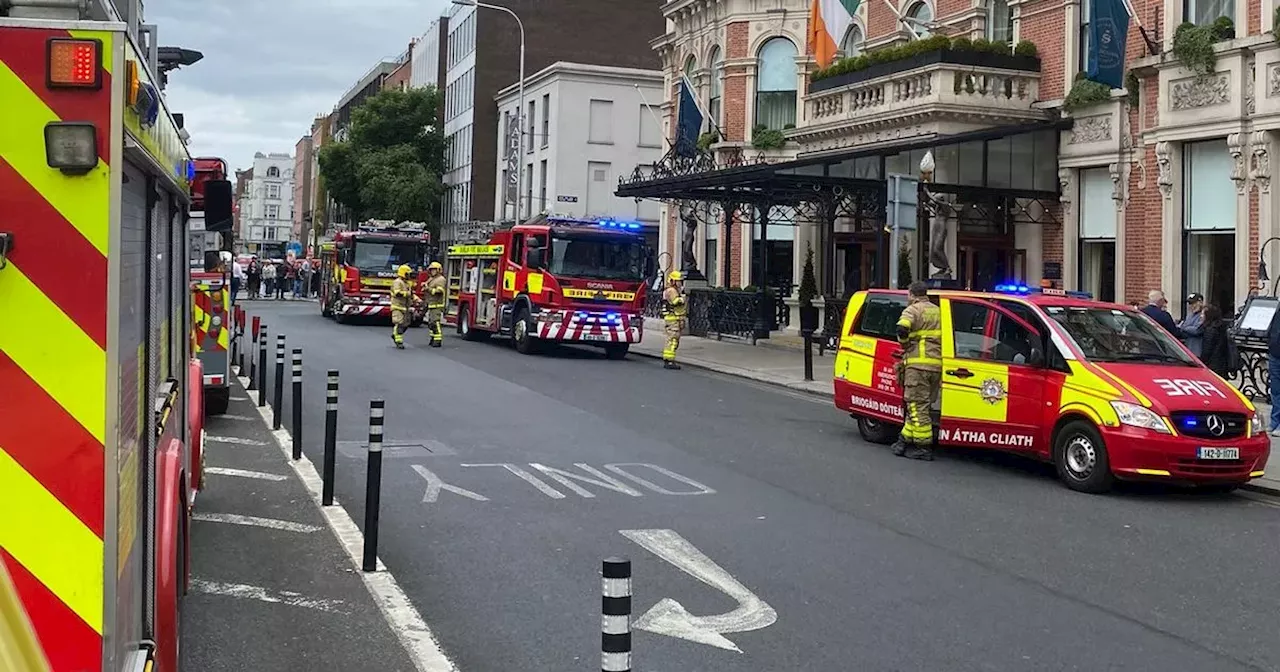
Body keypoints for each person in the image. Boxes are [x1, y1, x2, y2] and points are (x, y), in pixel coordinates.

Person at [892, 281, 943, 461]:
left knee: (916, 406)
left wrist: (905, 344)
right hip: (936, 366)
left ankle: (923, 447)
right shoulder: (938, 310)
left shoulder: (913, 310)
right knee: (919, 406)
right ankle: (903, 440)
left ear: (912, 294)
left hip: (917, 366)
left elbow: (901, 328)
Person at [661, 271, 687, 370]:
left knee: (673, 339)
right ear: (673, 281)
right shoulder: (671, 291)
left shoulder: (674, 290)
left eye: (680, 281)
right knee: (672, 339)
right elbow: (676, 302)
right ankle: (669, 360)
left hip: (675, 318)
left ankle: (669, 359)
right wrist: (683, 298)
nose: (680, 283)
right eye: (678, 281)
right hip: (673, 318)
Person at [1198, 304, 1231, 377]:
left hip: (1212, 365)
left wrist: (1200, 362)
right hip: (1220, 365)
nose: (1201, 316)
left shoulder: (1210, 330)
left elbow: (1207, 350)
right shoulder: (1220, 327)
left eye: (1203, 314)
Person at [390, 264, 415, 349]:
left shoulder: (407, 283)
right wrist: (407, 294)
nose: (409, 275)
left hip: (405, 307)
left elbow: (411, 294)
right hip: (397, 306)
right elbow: (397, 293)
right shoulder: (397, 282)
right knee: (399, 323)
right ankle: (398, 341)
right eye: (408, 273)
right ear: (403, 273)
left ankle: (395, 334)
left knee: (406, 323)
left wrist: (417, 300)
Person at [423, 262, 447, 347]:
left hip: (437, 304)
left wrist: (428, 289)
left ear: (439, 270)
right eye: (431, 270)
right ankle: (433, 338)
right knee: (431, 323)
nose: (432, 271)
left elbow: (439, 291)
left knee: (435, 322)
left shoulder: (441, 279)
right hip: (431, 304)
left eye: (434, 270)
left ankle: (437, 340)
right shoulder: (431, 279)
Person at [1178, 293, 1205, 357]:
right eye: (1190, 303)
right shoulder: (1189, 315)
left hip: (1198, 350)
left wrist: (1184, 328)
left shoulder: (1204, 314)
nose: (1191, 306)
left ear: (1200, 302)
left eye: (1193, 303)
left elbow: (1197, 330)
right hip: (1188, 350)